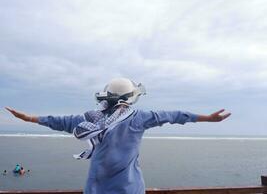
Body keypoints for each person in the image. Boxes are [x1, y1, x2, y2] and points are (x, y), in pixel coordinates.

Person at [5, 77, 231, 194]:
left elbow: (58, 121)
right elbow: (174, 115)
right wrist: (207, 118)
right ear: (131, 97)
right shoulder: (139, 118)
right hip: (130, 189)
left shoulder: (90, 117)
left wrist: (29, 118)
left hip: (96, 188)